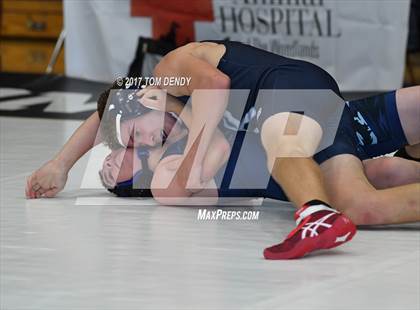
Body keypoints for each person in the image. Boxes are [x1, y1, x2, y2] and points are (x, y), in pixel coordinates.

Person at [25, 40, 419, 259]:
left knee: (279, 143)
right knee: (361, 202)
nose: (146, 142)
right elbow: (112, 110)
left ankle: (314, 213)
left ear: (146, 97)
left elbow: (212, 87)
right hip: (326, 113)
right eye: (137, 147)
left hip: (288, 90)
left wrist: (195, 143)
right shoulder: (164, 112)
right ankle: (326, 209)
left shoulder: (168, 73)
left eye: (137, 135)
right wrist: (60, 165)